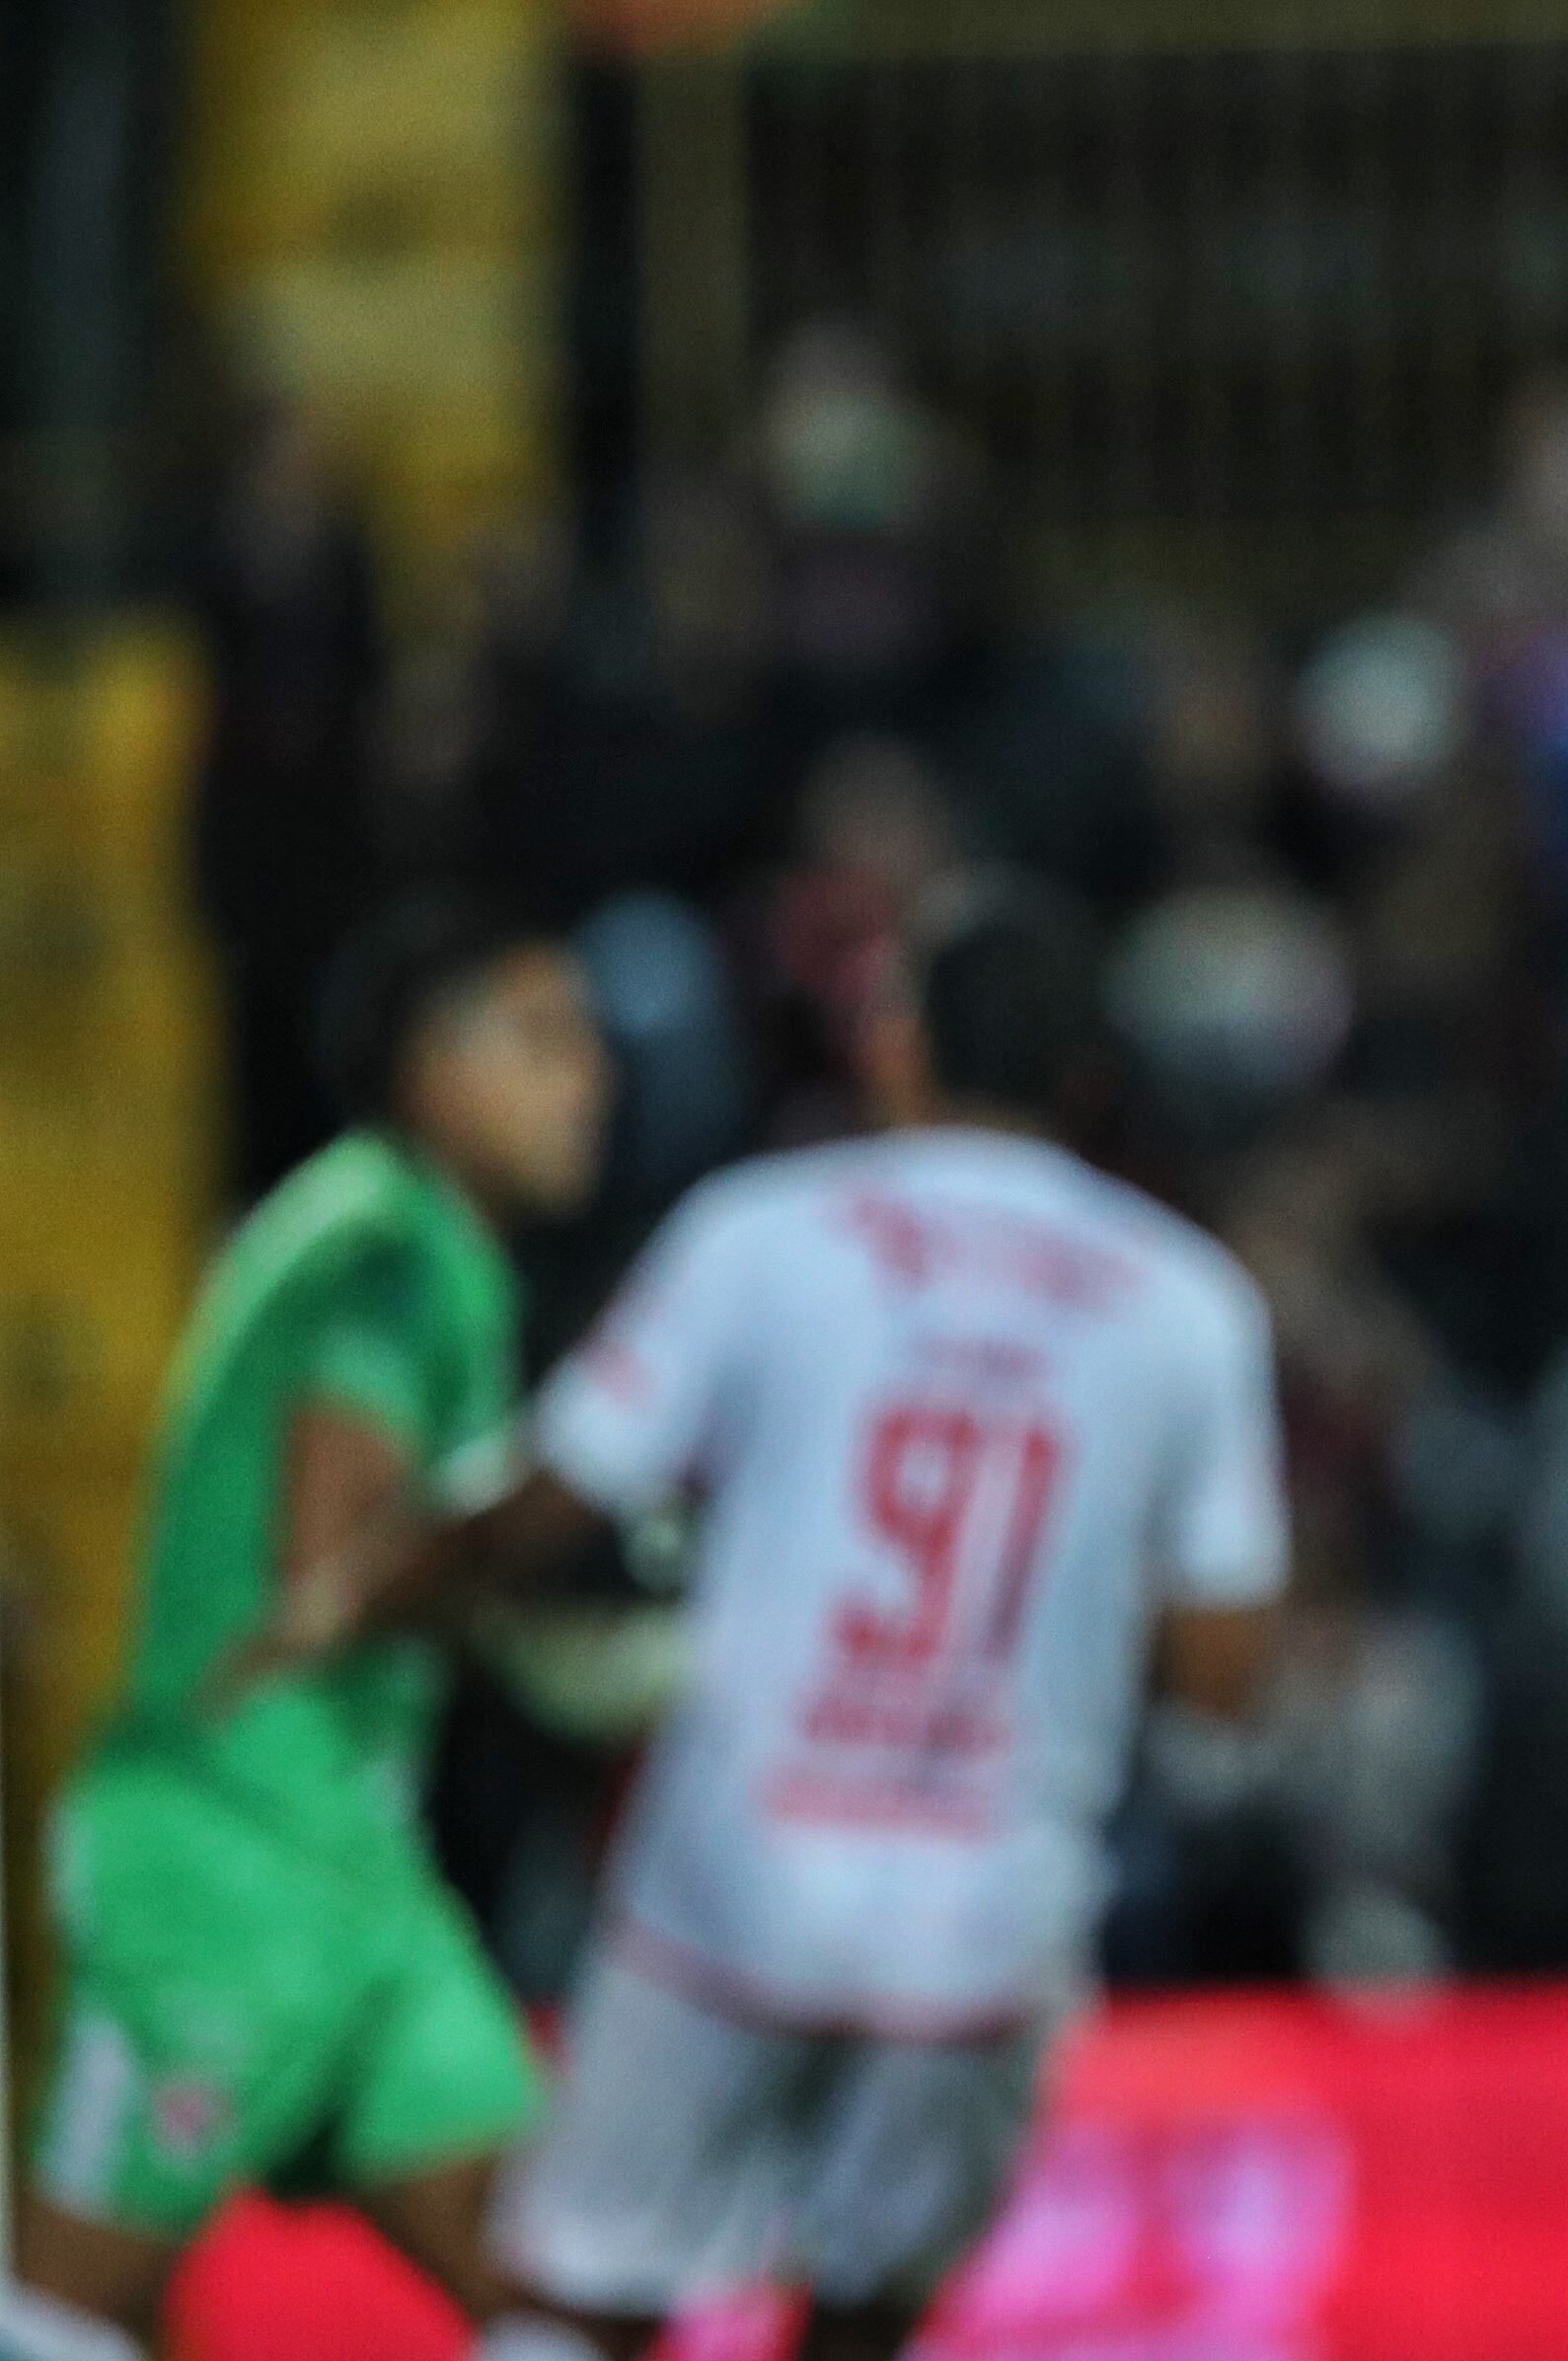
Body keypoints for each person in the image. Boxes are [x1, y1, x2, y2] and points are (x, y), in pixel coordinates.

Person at [291, 885, 1288, 2361]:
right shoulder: (1187, 1305)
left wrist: (362, 1594)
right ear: (1086, 1084)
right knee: (865, 2317)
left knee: (583, 2295)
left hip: (736, 1877)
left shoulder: (769, 1234)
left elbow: (556, 1498)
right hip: (987, 1914)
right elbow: (1223, 1675)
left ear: (899, 1050)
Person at [6, 897, 611, 2358]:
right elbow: (331, 1563)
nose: (588, 1076)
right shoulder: (382, 1254)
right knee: (62, 2309)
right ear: (427, 1069)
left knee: (552, 2280)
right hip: (225, 1852)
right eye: (540, 1038)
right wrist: (557, 1597)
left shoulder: (412, 1246)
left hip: (355, 1866)